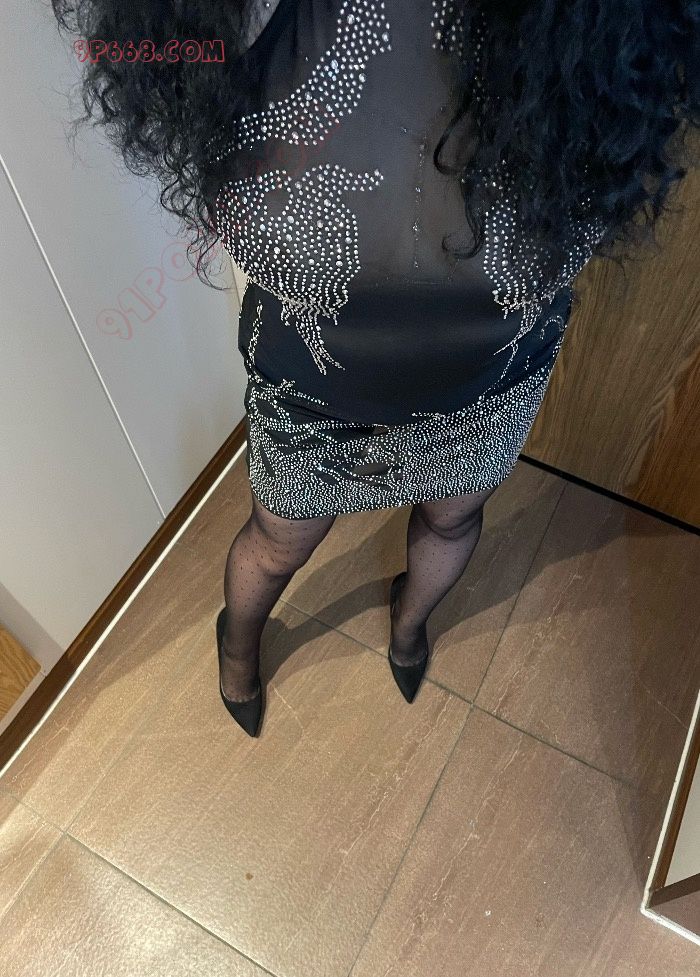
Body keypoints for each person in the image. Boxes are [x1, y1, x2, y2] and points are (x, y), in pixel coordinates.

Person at [52, 0, 700, 736]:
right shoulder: (274, 32)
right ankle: (238, 645)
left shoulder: (603, 42)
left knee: (453, 519)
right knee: (280, 540)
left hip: (486, 383)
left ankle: (409, 628)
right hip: (313, 385)